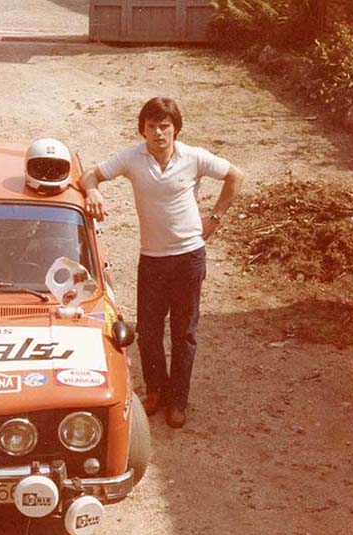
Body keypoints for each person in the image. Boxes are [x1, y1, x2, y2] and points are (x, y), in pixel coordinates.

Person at [79, 97, 244, 428]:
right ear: (142, 130)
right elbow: (90, 175)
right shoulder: (132, 158)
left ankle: (178, 400)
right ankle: (156, 391)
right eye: (151, 126)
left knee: (184, 333)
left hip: (188, 258)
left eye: (164, 126)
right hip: (152, 259)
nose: (158, 133)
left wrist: (215, 217)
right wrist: (93, 191)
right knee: (149, 332)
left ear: (176, 129)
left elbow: (235, 176)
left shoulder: (194, 157)